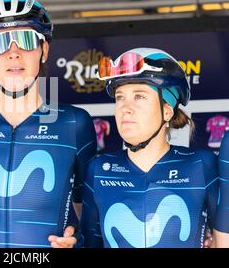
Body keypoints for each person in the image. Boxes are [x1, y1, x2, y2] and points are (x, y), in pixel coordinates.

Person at [0, 0, 97, 248]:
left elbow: (91, 208)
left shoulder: (75, 122)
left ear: (44, 50)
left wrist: (77, 237)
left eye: (26, 40)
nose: (13, 53)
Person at [80, 47, 221, 248]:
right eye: (120, 97)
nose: (125, 107)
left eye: (139, 96)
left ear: (167, 111)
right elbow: (88, 243)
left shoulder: (202, 165)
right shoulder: (98, 169)